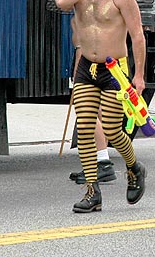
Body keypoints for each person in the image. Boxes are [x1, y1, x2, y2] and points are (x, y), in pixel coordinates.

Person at [55, 0, 147, 213]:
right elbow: (61, 2)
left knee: (111, 129)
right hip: (87, 67)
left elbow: (138, 35)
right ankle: (93, 192)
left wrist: (139, 76)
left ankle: (134, 167)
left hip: (115, 69)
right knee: (84, 127)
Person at [68, 18, 117, 186]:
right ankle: (99, 161)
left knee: (88, 114)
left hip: (92, 69)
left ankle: (103, 162)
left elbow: (83, 51)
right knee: (99, 113)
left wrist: (77, 78)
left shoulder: (82, 18)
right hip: (106, 66)